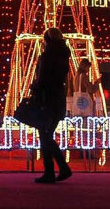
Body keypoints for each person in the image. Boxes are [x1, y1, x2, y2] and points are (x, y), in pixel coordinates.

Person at [31, 27, 72, 184]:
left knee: (45, 135)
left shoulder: (47, 56)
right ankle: (52, 171)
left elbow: (42, 79)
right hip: (58, 99)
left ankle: (60, 168)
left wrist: (34, 87)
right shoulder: (63, 55)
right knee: (46, 134)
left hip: (46, 100)